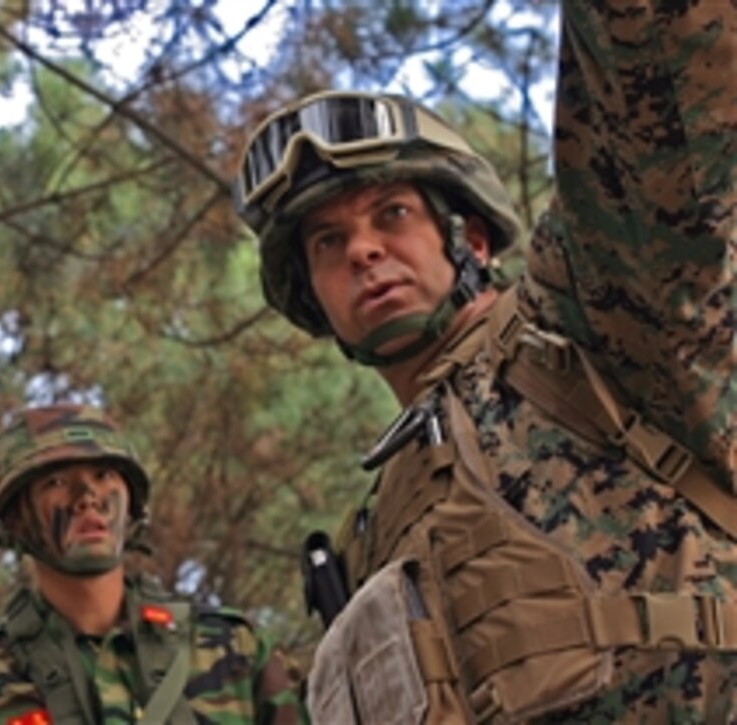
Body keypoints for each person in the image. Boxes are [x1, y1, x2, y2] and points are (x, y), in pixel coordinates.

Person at [233, 0, 735, 721]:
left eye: (393, 214)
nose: (362, 250)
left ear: (468, 240)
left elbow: (654, 86)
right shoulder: (369, 538)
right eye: (327, 242)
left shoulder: (586, 317)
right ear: (314, 299)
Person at [0, 403, 307, 724]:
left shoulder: (236, 650)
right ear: (15, 521)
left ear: (132, 504)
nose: (87, 497)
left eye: (103, 475)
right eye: (55, 482)